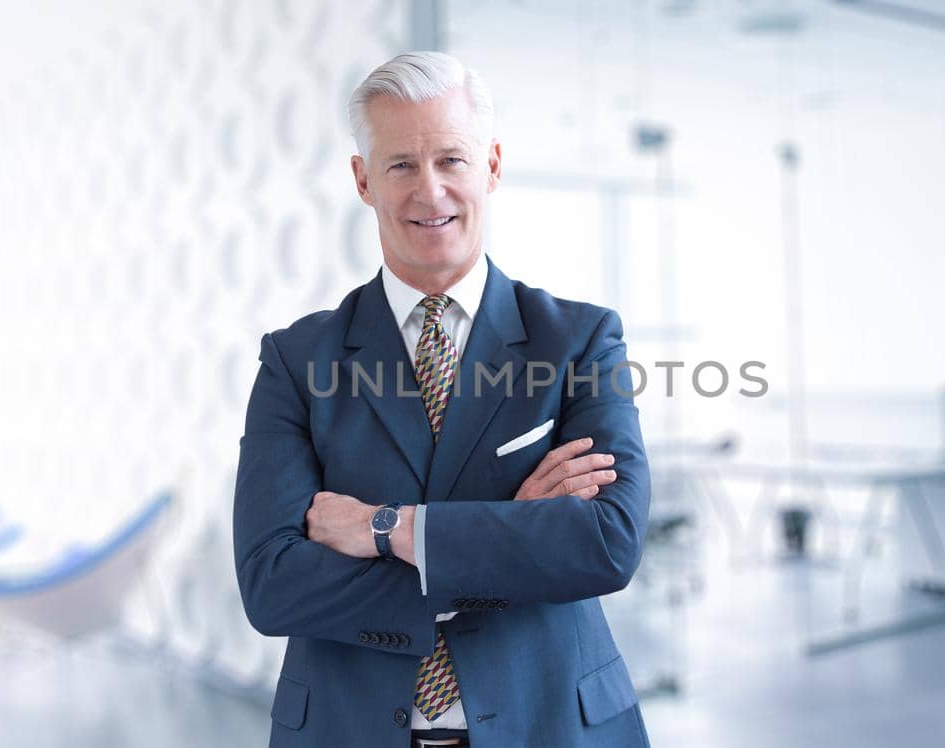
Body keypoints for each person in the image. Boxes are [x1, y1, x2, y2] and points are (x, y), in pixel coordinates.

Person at [232, 51, 651, 747]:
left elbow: (607, 544)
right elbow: (273, 586)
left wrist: (388, 529)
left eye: (450, 160)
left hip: (553, 726)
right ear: (363, 179)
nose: (430, 192)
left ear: (490, 165)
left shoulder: (580, 340)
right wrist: (509, 533)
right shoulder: (297, 360)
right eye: (401, 165)